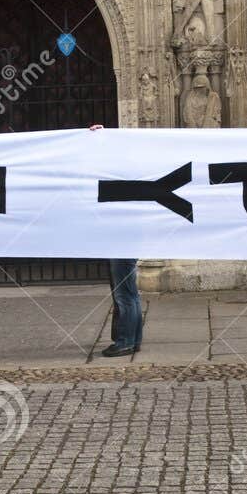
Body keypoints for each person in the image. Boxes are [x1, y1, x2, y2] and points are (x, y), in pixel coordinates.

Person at [90, 124, 144, 357]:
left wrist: (100, 142)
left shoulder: (123, 178)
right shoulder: (129, 174)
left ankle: (126, 341)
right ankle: (133, 338)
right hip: (123, 237)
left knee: (125, 293)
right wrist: (98, 138)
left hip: (122, 239)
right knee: (126, 291)